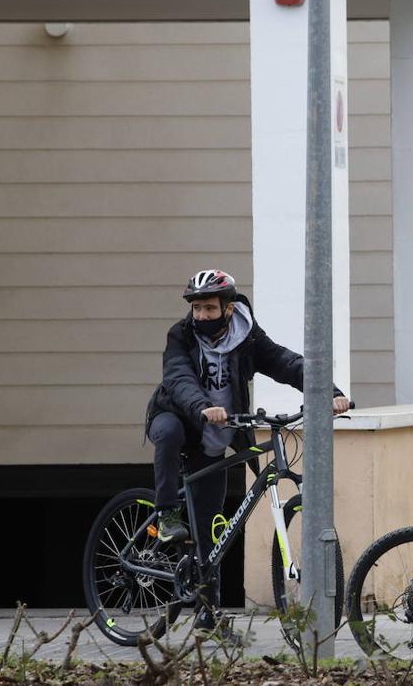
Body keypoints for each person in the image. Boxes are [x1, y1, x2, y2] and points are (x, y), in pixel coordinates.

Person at [144, 269, 350, 632]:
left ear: (227, 308)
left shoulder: (247, 336)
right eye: (197, 309)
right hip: (179, 415)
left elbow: (285, 363)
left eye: (210, 308)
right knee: (169, 431)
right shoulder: (180, 335)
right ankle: (166, 515)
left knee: (211, 526)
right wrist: (202, 407)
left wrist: (328, 392)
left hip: (218, 434)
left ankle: (208, 613)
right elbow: (178, 378)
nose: (203, 316)